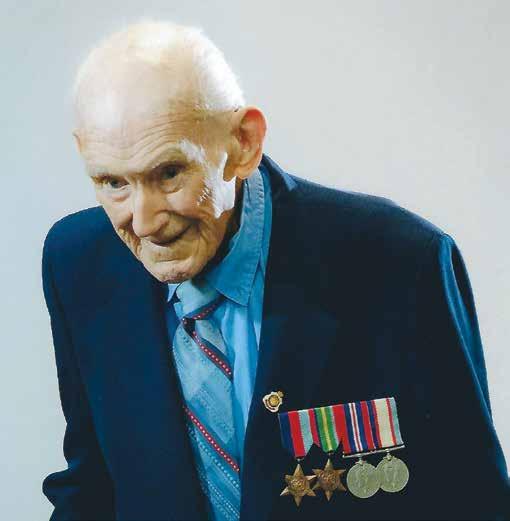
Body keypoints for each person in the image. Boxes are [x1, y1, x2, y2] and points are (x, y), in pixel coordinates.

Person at [42, 20, 509, 521]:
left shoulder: (402, 263)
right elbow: (91, 488)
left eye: (170, 173)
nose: (144, 222)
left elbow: (474, 498)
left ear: (243, 143)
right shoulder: (77, 264)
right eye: (113, 183)